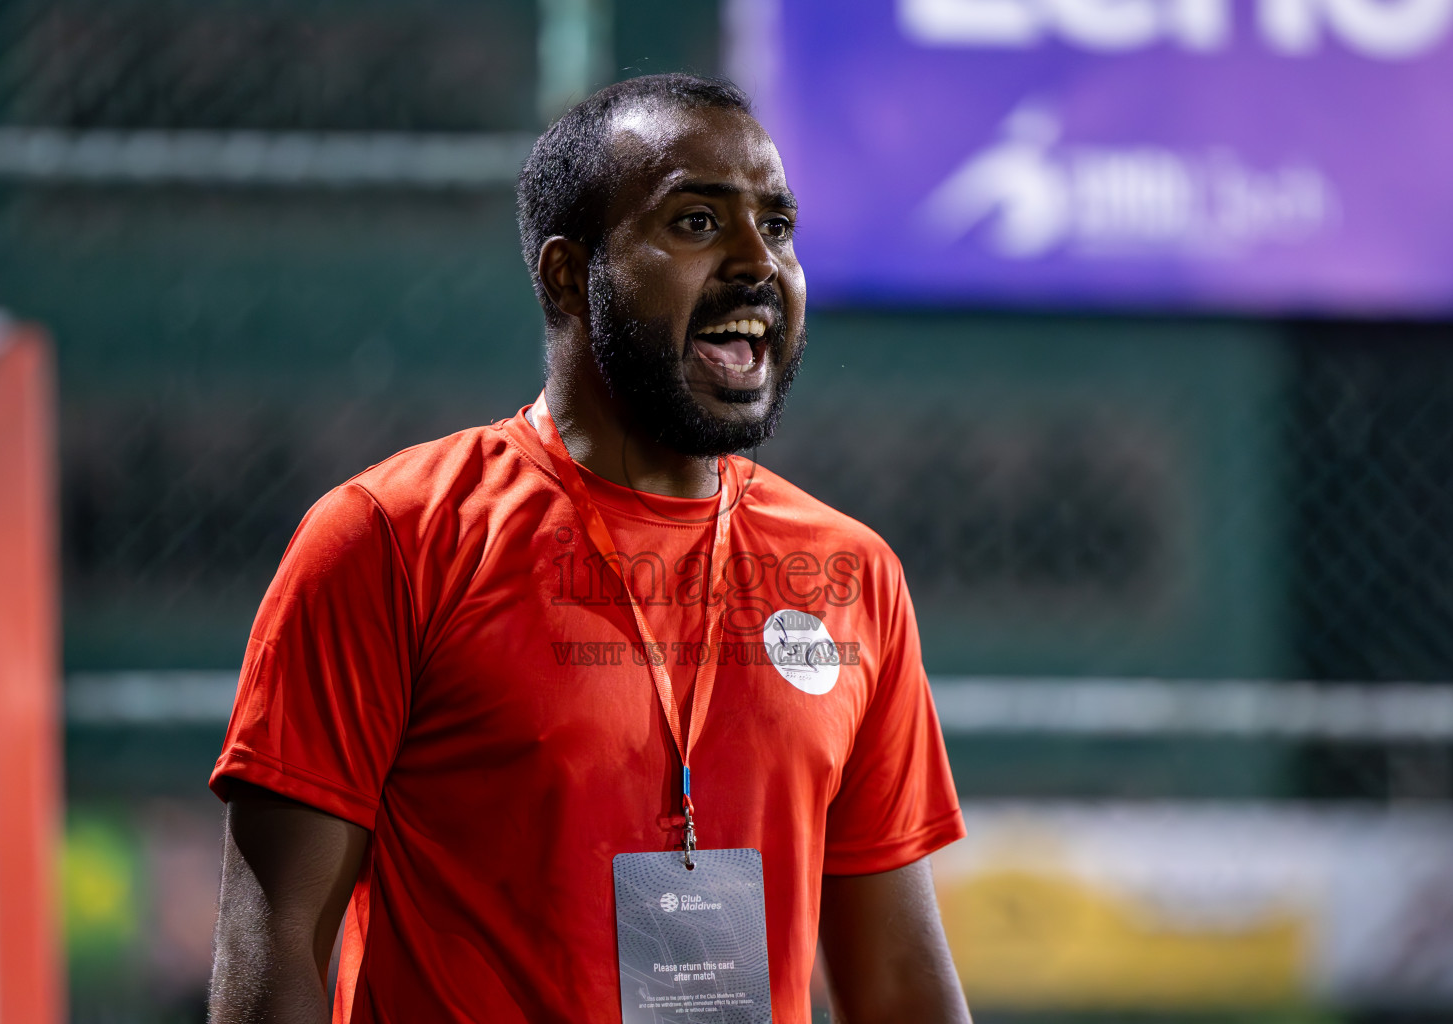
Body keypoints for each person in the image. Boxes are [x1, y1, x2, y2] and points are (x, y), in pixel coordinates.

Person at [208, 73, 971, 1024]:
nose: (756, 265)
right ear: (570, 275)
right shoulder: (389, 538)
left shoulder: (853, 573)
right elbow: (270, 952)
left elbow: (897, 983)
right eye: (697, 223)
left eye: (776, 228)